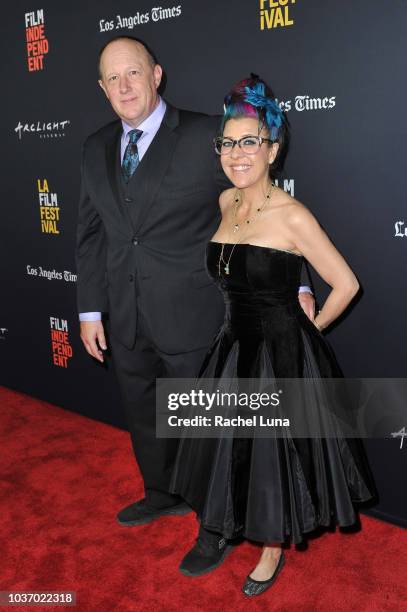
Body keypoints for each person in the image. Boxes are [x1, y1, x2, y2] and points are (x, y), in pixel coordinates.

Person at [76, 38, 315, 534]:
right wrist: (90, 311)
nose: (125, 86)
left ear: (156, 74)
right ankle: (162, 494)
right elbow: (91, 234)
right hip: (125, 314)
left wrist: (295, 284)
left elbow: (261, 202)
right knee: (145, 414)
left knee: (206, 428)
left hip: (194, 312)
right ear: (102, 87)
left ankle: (217, 524)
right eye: (113, 78)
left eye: (134, 73)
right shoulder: (94, 147)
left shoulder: (208, 134)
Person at [170, 75, 377, 596]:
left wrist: (311, 330)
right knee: (231, 446)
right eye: (228, 142)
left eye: (250, 142)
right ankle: (226, 524)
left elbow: (346, 283)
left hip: (280, 353)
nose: (237, 153)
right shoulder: (225, 203)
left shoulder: (293, 215)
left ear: (273, 149)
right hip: (231, 344)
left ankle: (270, 546)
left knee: (272, 455)